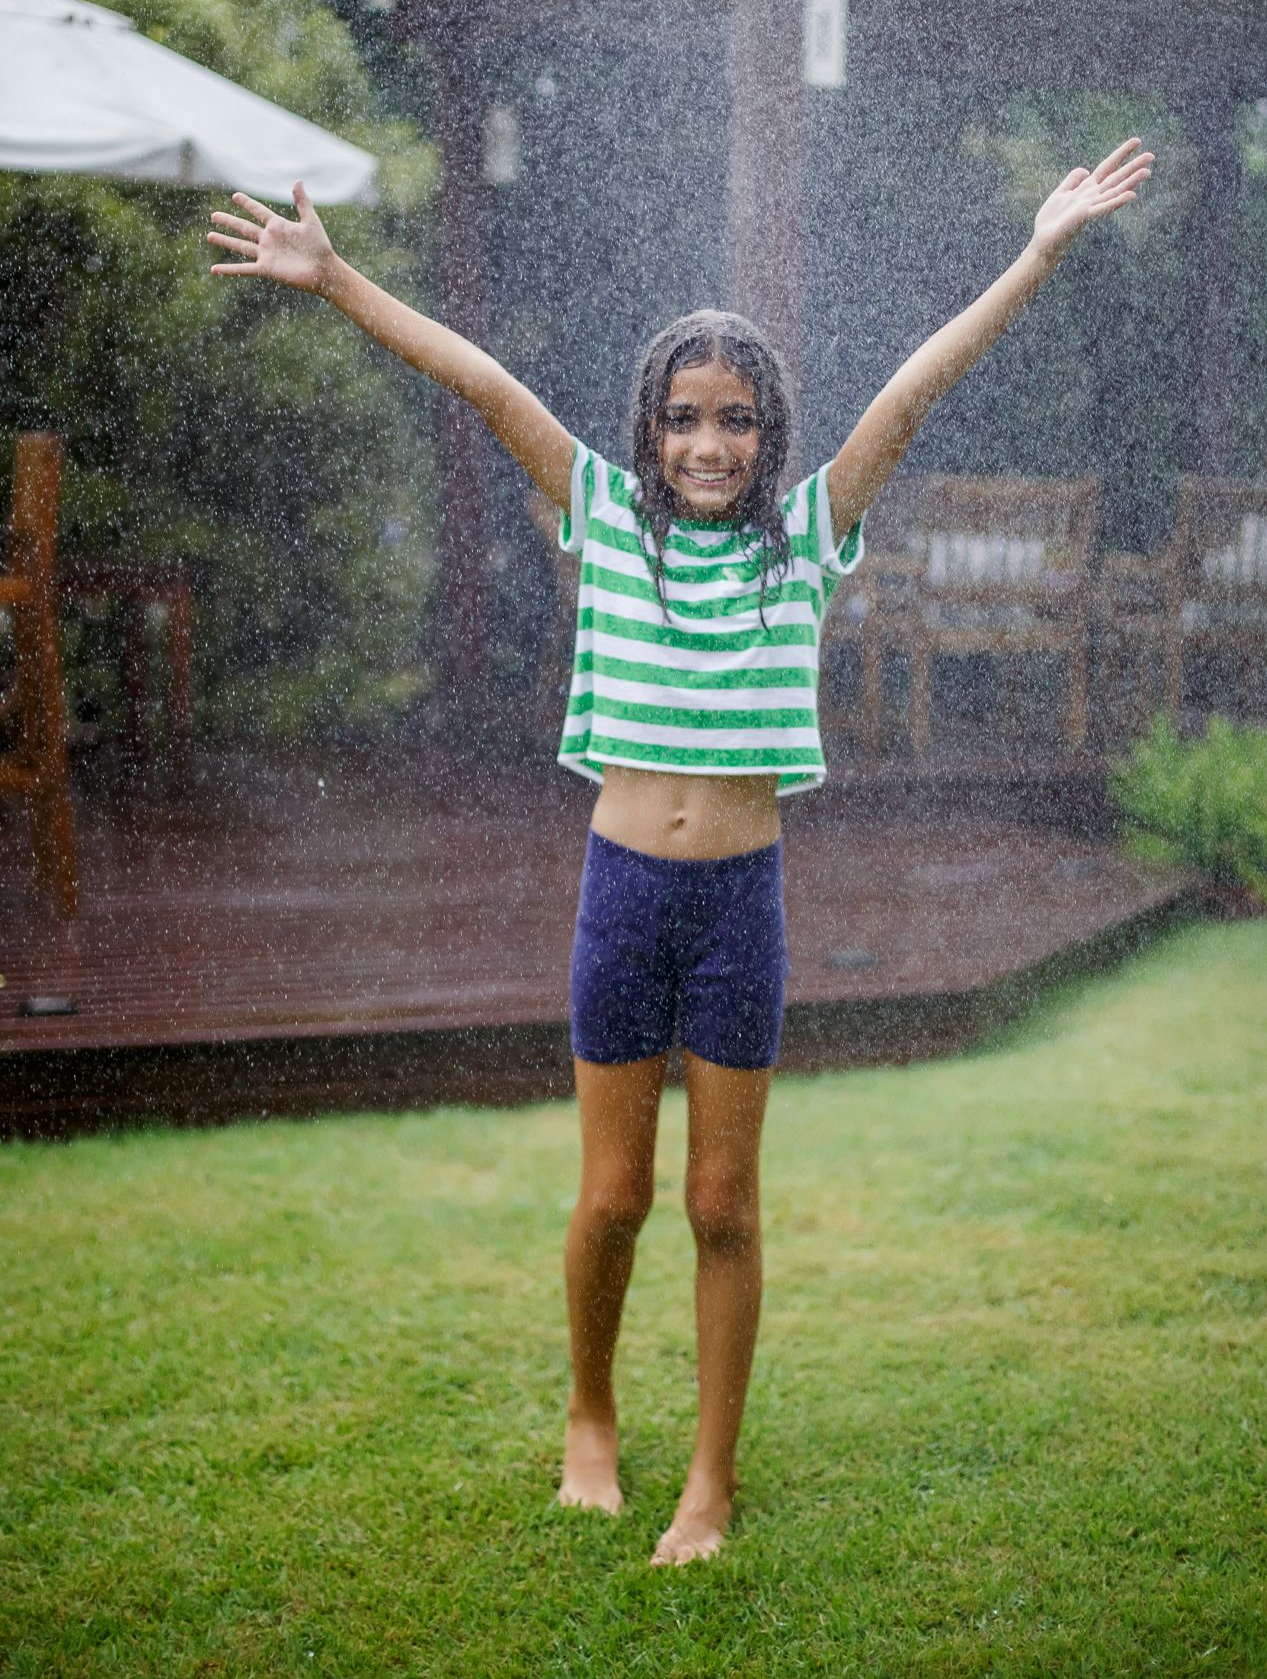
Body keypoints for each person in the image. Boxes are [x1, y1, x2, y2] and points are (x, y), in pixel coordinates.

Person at [208, 135, 1153, 1565]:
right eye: (684, 420)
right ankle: (591, 1417)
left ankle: (709, 1482)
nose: (709, 445)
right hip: (624, 895)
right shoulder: (601, 518)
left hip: (741, 905)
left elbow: (915, 389)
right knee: (614, 1196)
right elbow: (480, 382)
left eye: (737, 421)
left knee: (722, 1204)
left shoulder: (806, 542)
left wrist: (1034, 253)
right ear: (648, 432)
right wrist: (336, 279)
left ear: (771, 434)